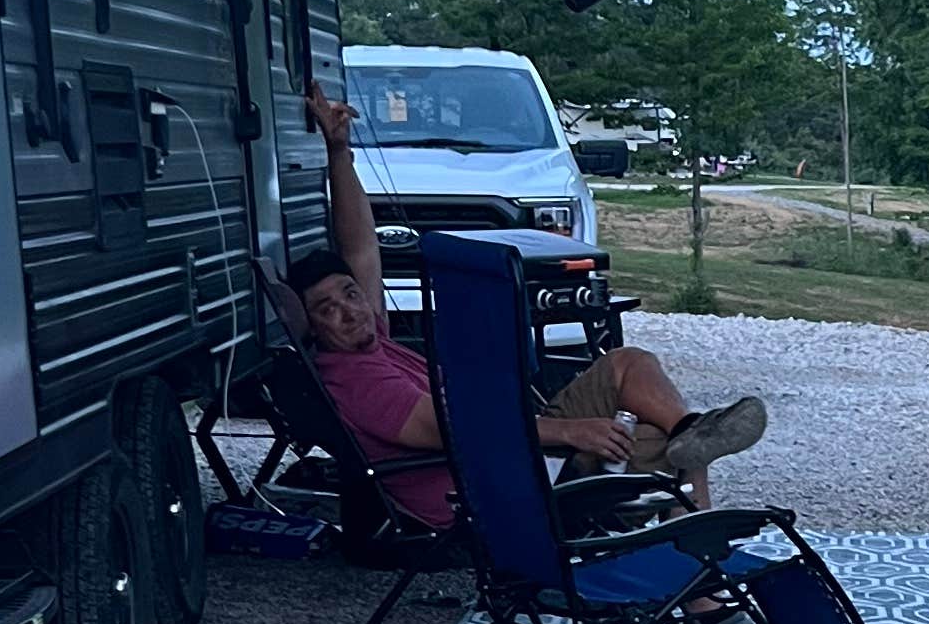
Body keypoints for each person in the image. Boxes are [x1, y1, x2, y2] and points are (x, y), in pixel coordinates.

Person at [285, 85, 765, 530]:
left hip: (512, 442)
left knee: (629, 364)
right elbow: (457, 431)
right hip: (490, 486)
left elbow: (363, 250)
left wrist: (339, 152)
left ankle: (687, 429)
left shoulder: (371, 341)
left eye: (350, 295)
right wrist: (571, 432)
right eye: (327, 309)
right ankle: (701, 595)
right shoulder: (356, 379)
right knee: (666, 451)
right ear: (313, 326)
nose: (350, 311)